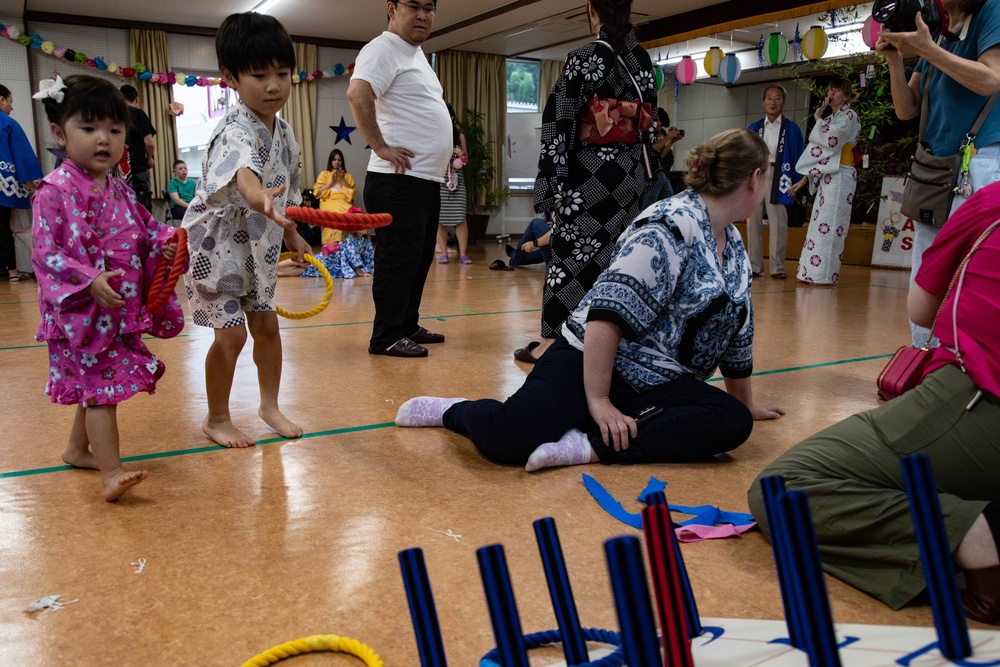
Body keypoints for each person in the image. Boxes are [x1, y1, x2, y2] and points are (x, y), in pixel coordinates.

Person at [396, 129, 784, 470]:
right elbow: (606, 313)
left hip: (658, 379)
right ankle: (454, 410)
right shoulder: (670, 223)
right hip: (592, 356)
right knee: (508, 440)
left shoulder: (731, 243)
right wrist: (598, 399)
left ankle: (589, 445)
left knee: (731, 420)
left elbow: (737, 334)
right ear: (754, 179)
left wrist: (745, 404)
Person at [748, 180, 1000, 624]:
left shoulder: (991, 201)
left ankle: (973, 543)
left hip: (981, 394)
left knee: (782, 488)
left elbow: (922, 310)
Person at [30, 75, 184, 501]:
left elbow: (146, 227)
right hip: (81, 313)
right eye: (89, 128)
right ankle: (111, 472)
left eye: (115, 131)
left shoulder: (116, 186)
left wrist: (165, 244)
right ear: (60, 133)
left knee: (91, 382)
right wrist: (88, 278)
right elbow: (45, 253)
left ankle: (77, 448)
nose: (104, 140)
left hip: (115, 308)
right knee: (101, 393)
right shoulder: (54, 192)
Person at [182, 12, 310, 448]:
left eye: (283, 73)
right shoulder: (234, 128)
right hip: (214, 246)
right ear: (230, 77)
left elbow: (286, 192)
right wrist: (260, 199)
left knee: (268, 328)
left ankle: (269, 405)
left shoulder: (287, 133)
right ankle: (217, 418)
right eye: (259, 75)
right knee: (232, 334)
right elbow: (245, 177)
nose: (273, 85)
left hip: (261, 239)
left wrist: (291, 234)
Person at [518, 0, 658, 364]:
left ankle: (556, 346)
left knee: (571, 259)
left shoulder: (584, 56)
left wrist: (551, 182)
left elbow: (560, 121)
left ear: (592, 10)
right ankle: (610, 341)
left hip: (586, 177)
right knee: (617, 257)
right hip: (627, 176)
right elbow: (649, 122)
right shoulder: (642, 60)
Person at [877, 0, 1000, 347]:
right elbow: (906, 108)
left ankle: (962, 362)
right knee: (928, 270)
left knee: (970, 270)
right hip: (938, 169)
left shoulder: (991, 11)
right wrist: (896, 59)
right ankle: (925, 355)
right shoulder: (938, 32)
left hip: (982, 160)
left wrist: (927, 49)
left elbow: (992, 78)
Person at [347, 0, 452, 359]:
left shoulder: (414, 53)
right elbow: (357, 93)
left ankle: (406, 324)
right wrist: (380, 145)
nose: (423, 15)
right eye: (414, 6)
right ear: (392, 8)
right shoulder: (383, 48)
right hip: (397, 181)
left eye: (430, 8)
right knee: (398, 261)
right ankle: (386, 336)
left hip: (423, 179)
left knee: (419, 258)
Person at [789, 78, 861, 286]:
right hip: (828, 175)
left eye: (838, 90)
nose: (832, 93)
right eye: (831, 88)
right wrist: (804, 179)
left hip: (842, 174)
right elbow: (819, 152)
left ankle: (823, 275)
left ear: (846, 96)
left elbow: (831, 142)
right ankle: (810, 272)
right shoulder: (831, 118)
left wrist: (818, 117)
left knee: (831, 225)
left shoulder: (849, 116)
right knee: (818, 223)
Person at [746, 85, 805, 280]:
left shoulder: (792, 129)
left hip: (782, 175)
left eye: (777, 98)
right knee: (752, 221)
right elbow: (745, 154)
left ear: (783, 102)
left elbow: (799, 157)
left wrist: (797, 183)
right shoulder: (754, 128)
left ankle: (777, 267)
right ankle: (755, 266)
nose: (773, 101)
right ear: (763, 102)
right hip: (757, 173)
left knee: (779, 222)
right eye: (769, 98)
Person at [0, 83, 43, 281]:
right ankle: (12, 271)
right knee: (3, 226)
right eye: (10, 101)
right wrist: (31, 185)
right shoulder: (8, 123)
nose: (11, 106)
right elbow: (22, 155)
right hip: (4, 185)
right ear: (1, 99)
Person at [309, 149, 373, 278]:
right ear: (330, 161)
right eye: (334, 159)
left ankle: (345, 244)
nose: (337, 162)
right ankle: (333, 245)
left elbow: (350, 195)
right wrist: (332, 182)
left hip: (343, 202)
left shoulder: (347, 176)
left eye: (339, 159)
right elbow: (317, 193)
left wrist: (342, 180)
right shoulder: (324, 174)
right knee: (334, 215)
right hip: (329, 201)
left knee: (348, 214)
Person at [437, 103, 472, 265]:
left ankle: (463, 254)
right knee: (440, 218)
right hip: (441, 179)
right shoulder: (435, 134)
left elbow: (466, 160)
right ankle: (443, 253)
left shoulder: (460, 136)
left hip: (457, 179)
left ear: (452, 117)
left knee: (460, 217)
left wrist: (461, 154)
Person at [119, 84, 156, 212]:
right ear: (136, 99)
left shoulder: (114, 115)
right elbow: (149, 142)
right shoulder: (139, 113)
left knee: (123, 207)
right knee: (143, 207)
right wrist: (149, 159)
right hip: (139, 167)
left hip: (119, 170)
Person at [639, 107, 683, 210]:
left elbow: (659, 156)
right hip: (649, 173)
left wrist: (671, 141)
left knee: (667, 197)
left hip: (657, 172)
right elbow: (652, 149)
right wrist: (668, 137)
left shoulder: (654, 134)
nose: (659, 128)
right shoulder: (645, 132)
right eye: (660, 124)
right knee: (649, 200)